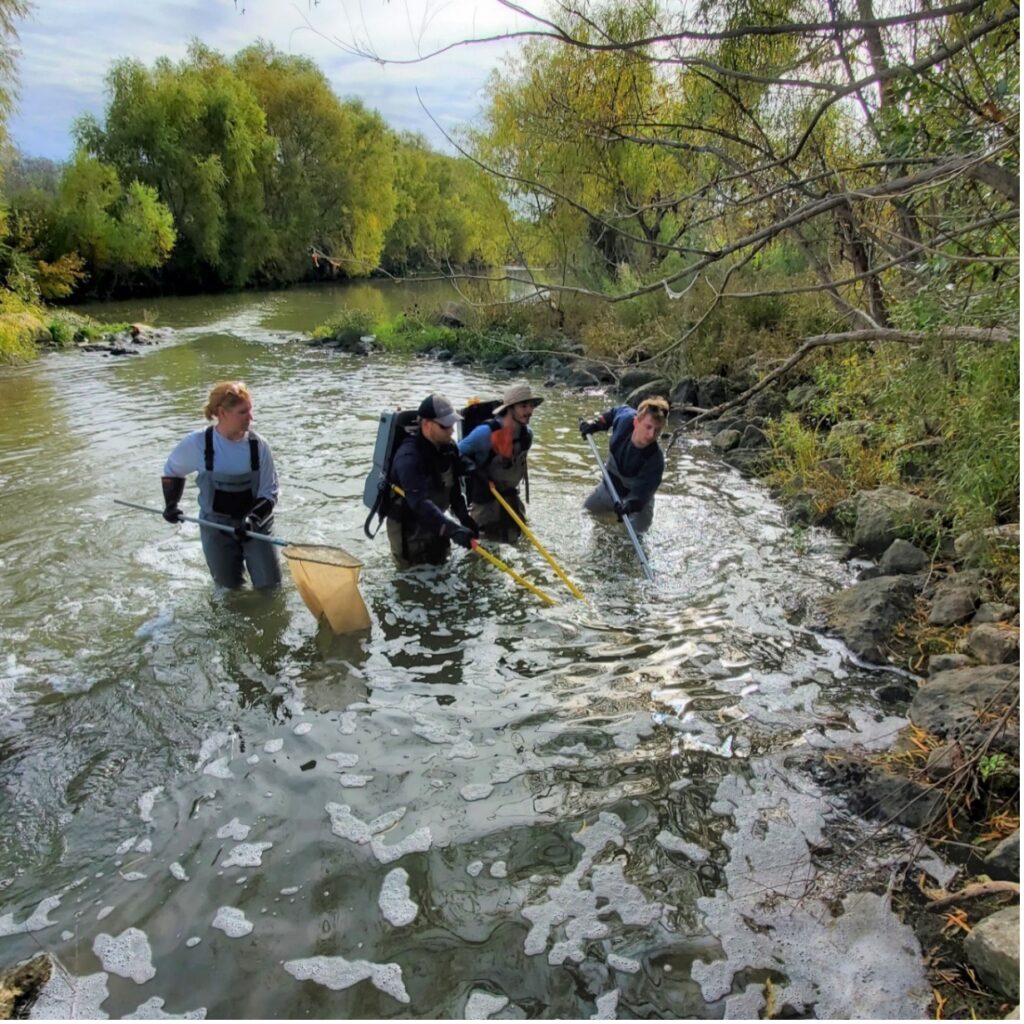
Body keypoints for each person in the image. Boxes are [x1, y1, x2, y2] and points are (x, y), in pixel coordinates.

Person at [161, 380, 282, 590]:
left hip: (256, 525)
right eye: (243, 412)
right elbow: (173, 471)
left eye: (250, 411)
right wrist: (171, 505)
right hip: (216, 527)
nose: (251, 418)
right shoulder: (197, 444)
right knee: (228, 590)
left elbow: (269, 492)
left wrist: (252, 521)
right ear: (222, 413)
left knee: (271, 588)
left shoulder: (259, 446)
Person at [385, 393, 479, 568]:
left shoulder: (448, 449)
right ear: (427, 425)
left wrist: (464, 519)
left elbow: (454, 490)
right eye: (445, 426)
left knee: (442, 566)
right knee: (413, 578)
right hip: (409, 529)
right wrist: (453, 529)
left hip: (436, 520)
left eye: (452, 425)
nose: (451, 431)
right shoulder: (408, 457)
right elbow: (418, 502)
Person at [458, 380, 543, 542]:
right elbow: (454, 454)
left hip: (512, 499)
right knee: (484, 556)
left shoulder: (527, 435)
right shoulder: (484, 433)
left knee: (521, 545)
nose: (530, 411)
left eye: (531, 406)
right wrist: (476, 472)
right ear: (509, 408)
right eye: (523, 406)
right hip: (485, 504)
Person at [579, 396, 669, 533]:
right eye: (648, 427)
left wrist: (630, 505)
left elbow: (642, 494)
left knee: (633, 537)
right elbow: (614, 412)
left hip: (637, 503)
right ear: (636, 422)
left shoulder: (655, 460)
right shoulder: (625, 419)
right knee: (585, 513)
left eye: (656, 430)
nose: (651, 435)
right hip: (610, 487)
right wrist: (596, 424)